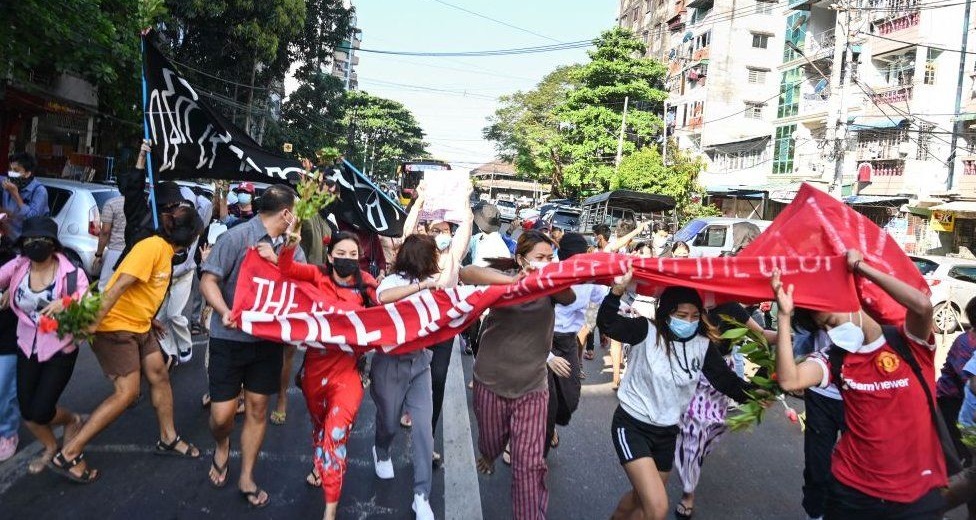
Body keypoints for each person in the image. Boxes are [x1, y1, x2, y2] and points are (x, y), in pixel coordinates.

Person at [771, 250, 945, 519]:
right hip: (853, 493)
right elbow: (789, 379)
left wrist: (860, 268)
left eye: (831, 322)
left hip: (917, 495)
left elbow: (922, 307)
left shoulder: (908, 344)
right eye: (825, 329)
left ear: (852, 301)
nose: (831, 333)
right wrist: (783, 316)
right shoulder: (835, 359)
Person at [52, 206, 204, 484]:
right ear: (191, 236)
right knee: (127, 393)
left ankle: (168, 438)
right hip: (116, 328)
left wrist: (150, 319)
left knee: (159, 375)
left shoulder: (165, 252)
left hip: (140, 326)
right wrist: (93, 322)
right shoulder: (152, 247)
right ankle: (69, 452)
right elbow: (121, 284)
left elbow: (143, 290)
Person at [597, 277, 753, 520]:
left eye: (694, 316)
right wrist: (616, 293)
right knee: (657, 508)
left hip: (667, 432)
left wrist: (760, 392)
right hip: (632, 426)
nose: (688, 322)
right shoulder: (646, 331)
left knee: (641, 499)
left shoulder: (702, 345)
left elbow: (727, 382)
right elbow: (608, 324)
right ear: (666, 314)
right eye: (681, 315)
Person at [459, 230, 575, 519]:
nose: (546, 262)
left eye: (550, 257)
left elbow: (569, 296)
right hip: (490, 382)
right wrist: (512, 282)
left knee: (530, 466)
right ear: (522, 259)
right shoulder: (504, 279)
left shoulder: (551, 286)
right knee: (491, 442)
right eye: (540, 257)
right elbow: (466, 273)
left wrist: (549, 278)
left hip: (532, 388)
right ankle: (488, 454)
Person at [200, 184, 303, 508]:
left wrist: (283, 261)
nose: (296, 218)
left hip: (267, 343)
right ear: (286, 213)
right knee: (222, 416)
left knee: (258, 408)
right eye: (295, 212)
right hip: (229, 340)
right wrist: (224, 311)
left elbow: (301, 285)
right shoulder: (236, 238)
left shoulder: (291, 247)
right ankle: (222, 446)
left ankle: (247, 475)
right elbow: (208, 280)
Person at [262, 230, 376, 520]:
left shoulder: (367, 284)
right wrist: (289, 247)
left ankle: (330, 509)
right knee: (321, 428)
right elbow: (287, 269)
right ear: (330, 256)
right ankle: (319, 461)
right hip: (315, 371)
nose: (348, 259)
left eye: (354, 255)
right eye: (342, 254)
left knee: (336, 434)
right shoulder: (317, 276)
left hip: (348, 372)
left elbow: (386, 310)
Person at [0, 217, 87, 472]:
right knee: (28, 411)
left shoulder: (71, 273)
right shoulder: (19, 266)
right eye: (30, 240)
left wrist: (67, 302)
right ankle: (50, 446)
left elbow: (89, 300)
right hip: (27, 345)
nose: (35, 244)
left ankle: (71, 420)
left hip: (60, 349)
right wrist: (7, 289)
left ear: (53, 244)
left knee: (41, 410)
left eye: (41, 239)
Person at [673, 302, 773, 519]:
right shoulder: (688, 301)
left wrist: (787, 337)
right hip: (691, 373)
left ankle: (694, 455)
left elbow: (762, 335)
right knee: (693, 431)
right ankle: (688, 492)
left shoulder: (732, 308)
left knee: (712, 427)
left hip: (720, 376)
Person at [400, 178, 473, 465]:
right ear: (426, 233)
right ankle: (409, 407)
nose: (442, 235)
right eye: (435, 230)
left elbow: (466, 225)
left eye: (445, 231)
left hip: (443, 329)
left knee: (437, 380)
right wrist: (420, 200)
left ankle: (426, 441)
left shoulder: (454, 255)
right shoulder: (417, 254)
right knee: (409, 375)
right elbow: (408, 231)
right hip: (416, 325)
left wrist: (465, 199)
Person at [546, 232, 606, 453]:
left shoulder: (590, 277)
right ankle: (534, 440)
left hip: (569, 342)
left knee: (570, 396)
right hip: (544, 339)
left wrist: (624, 306)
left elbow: (604, 298)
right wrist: (547, 356)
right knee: (545, 398)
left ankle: (549, 423)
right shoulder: (550, 274)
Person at [936, 297, 976, 467]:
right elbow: (967, 380)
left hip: (965, 403)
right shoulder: (965, 343)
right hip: (950, 401)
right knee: (958, 451)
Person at [0, 212, 18, 463]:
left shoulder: (15, 260)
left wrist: (11, 291)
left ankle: (7, 432)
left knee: (3, 389)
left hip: (7, 335)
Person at [4, 152, 49, 239]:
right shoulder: (7, 185)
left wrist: (16, 195)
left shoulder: (39, 191)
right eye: (10, 170)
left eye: (16, 171)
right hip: (7, 239)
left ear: (27, 173)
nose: (11, 173)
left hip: (27, 241)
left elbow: (32, 219)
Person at [94, 195, 126, 291]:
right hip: (136, 250)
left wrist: (99, 254)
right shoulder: (142, 203)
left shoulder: (111, 203)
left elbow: (105, 231)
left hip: (116, 250)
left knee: (104, 287)